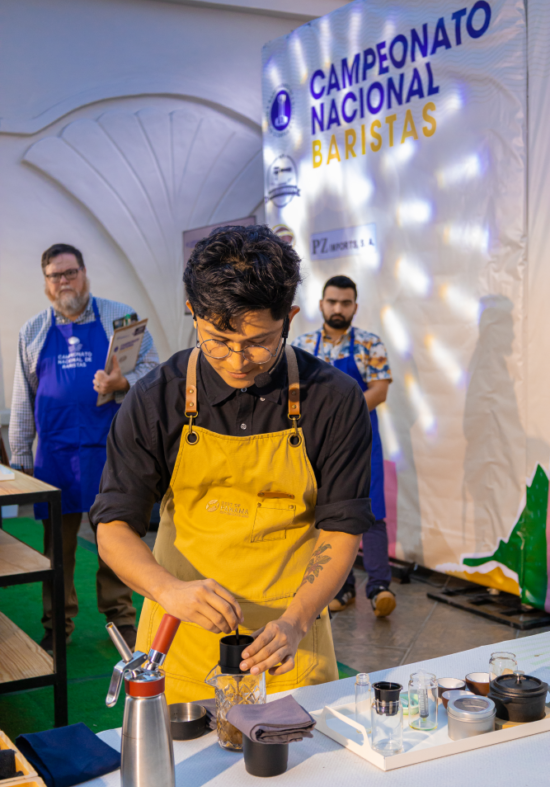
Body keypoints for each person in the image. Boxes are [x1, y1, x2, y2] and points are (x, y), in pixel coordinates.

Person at [90, 225, 374, 703]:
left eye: (260, 342)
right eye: (218, 339)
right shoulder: (156, 397)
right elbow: (113, 527)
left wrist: (297, 621)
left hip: (289, 643)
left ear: (290, 318)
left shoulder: (333, 398)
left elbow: (342, 527)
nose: (238, 361)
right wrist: (168, 591)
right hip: (178, 640)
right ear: (193, 314)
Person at [9, 243, 159, 652]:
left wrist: (120, 384)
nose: (64, 281)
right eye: (56, 275)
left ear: (84, 272)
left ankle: (122, 618)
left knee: (118, 539)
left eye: (70, 272)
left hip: (111, 453)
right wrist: (20, 462)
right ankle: (57, 624)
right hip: (55, 456)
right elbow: (23, 400)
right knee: (57, 549)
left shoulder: (120, 318)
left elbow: (153, 370)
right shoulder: (33, 331)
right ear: (46, 283)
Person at [293, 275, 396, 618]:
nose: (338, 308)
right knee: (330, 511)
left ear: (355, 306)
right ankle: (342, 587)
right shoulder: (302, 346)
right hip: (318, 440)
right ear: (322, 304)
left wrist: (341, 414)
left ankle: (380, 587)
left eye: (345, 302)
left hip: (364, 438)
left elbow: (379, 391)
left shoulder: (370, 343)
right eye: (332, 301)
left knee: (374, 510)